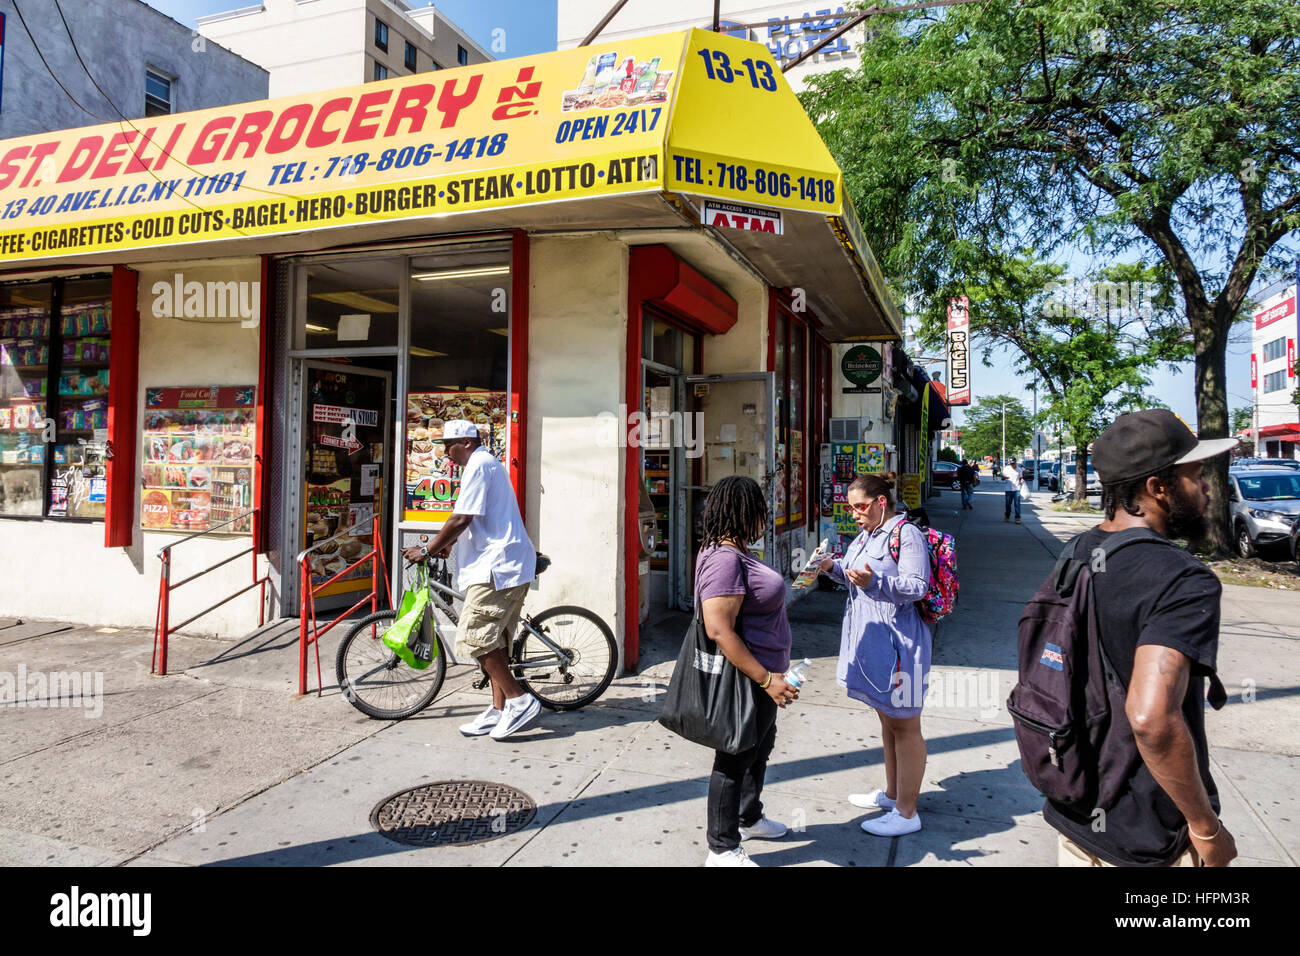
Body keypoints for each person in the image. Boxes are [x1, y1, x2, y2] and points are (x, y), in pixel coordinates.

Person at [1045, 409, 1238, 867]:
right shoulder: (1183, 579)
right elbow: (1151, 717)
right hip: (1149, 836)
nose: (1209, 487)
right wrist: (1206, 829)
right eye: (1195, 476)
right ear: (1158, 487)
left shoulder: (1078, 552)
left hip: (1076, 813)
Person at [402, 420, 540, 741]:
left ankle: (519, 701)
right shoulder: (484, 464)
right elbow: (471, 518)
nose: (445, 453)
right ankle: (499, 709)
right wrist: (445, 544)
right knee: (496, 642)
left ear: (465, 442)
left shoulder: (479, 465)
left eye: (448, 445)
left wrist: (427, 548)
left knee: (475, 638)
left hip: (497, 567)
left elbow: (462, 517)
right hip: (501, 564)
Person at [819, 472, 931, 837]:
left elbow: (917, 586)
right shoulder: (868, 534)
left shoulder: (906, 534)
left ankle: (907, 813)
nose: (854, 513)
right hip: (876, 642)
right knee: (888, 721)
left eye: (860, 506)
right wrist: (831, 568)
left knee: (905, 723)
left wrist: (876, 582)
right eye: (850, 507)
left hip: (901, 643)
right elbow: (853, 577)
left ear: (881, 502)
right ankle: (893, 794)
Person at [694, 475, 797, 867]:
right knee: (734, 758)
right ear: (745, 513)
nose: (765, 518)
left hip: (763, 673)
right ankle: (721, 848)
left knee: (759, 747)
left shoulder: (737, 553)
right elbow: (718, 628)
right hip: (749, 678)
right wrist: (767, 679)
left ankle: (748, 817)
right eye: (761, 510)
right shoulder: (724, 560)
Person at [1001, 456, 1023, 523]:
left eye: (1013, 463)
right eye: (1011, 463)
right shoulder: (1006, 469)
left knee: (1017, 504)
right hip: (1008, 489)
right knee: (1008, 504)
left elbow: (1020, 478)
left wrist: (1021, 480)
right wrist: (1004, 477)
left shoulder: (1019, 469)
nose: (1012, 464)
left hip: (1017, 489)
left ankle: (1017, 518)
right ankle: (1007, 516)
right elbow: (1002, 478)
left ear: (1016, 462)